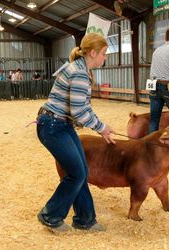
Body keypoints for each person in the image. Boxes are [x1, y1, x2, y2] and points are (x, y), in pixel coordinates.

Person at [36, 33, 116, 233]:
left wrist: (101, 127)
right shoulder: (80, 73)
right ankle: (50, 215)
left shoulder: (80, 69)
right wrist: (101, 127)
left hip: (59, 125)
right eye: (104, 53)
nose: (105, 58)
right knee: (77, 173)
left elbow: (83, 109)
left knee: (82, 172)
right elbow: (79, 112)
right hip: (53, 126)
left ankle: (85, 219)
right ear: (93, 52)